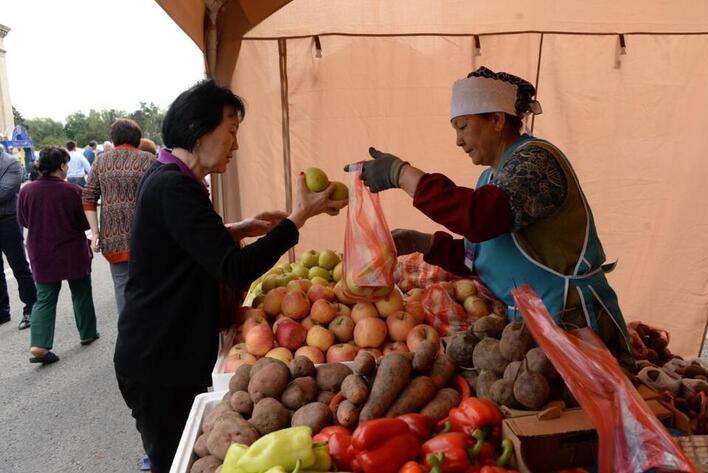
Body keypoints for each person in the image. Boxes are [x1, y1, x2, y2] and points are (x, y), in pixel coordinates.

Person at [114, 80, 347, 473]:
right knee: (175, 460)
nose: (236, 146)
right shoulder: (173, 186)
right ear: (198, 130)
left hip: (164, 352)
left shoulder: (171, 179)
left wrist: (238, 229)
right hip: (160, 359)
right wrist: (298, 217)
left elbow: (184, 243)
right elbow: (235, 269)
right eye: (232, 131)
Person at [351, 66, 631, 361]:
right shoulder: (490, 179)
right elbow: (482, 255)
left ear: (497, 120)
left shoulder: (535, 162)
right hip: (532, 331)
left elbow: (480, 217)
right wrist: (424, 244)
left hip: (575, 324)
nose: (458, 140)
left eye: (463, 127)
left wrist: (401, 174)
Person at [16, 146, 98, 365]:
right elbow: (83, 222)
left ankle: (39, 345)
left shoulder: (27, 191)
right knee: (81, 292)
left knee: (44, 298)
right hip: (71, 250)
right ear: (61, 166)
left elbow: (23, 220)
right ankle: (87, 332)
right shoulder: (72, 191)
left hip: (41, 251)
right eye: (66, 164)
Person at [82, 119, 156, 317]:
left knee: (122, 288)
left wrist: (95, 233)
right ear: (137, 138)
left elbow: (88, 196)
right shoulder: (148, 160)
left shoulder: (101, 161)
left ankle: (129, 335)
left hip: (113, 239)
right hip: (146, 237)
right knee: (149, 286)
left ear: (113, 139)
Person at [0, 144, 36, 329]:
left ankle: (31, 308)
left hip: (7, 220)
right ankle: (2, 311)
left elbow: (4, 192)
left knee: (19, 265)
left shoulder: (11, 163)